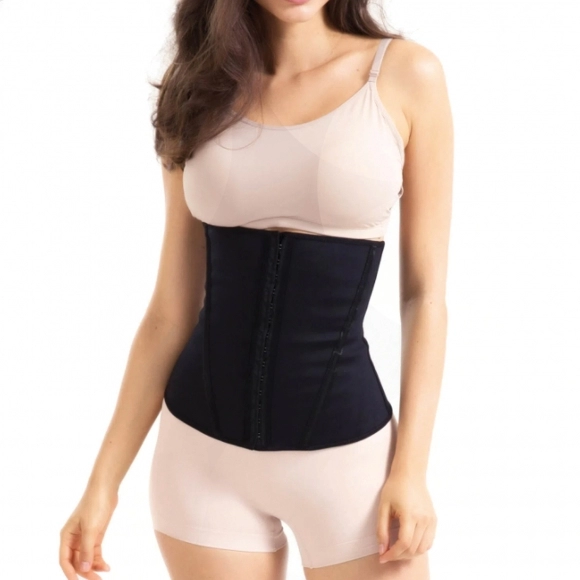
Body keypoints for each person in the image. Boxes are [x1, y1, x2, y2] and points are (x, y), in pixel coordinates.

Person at [58, 0, 453, 578]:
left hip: (349, 467)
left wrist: (412, 471)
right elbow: (171, 309)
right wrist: (102, 484)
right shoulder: (197, 85)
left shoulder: (405, 74)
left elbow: (424, 295)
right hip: (200, 460)